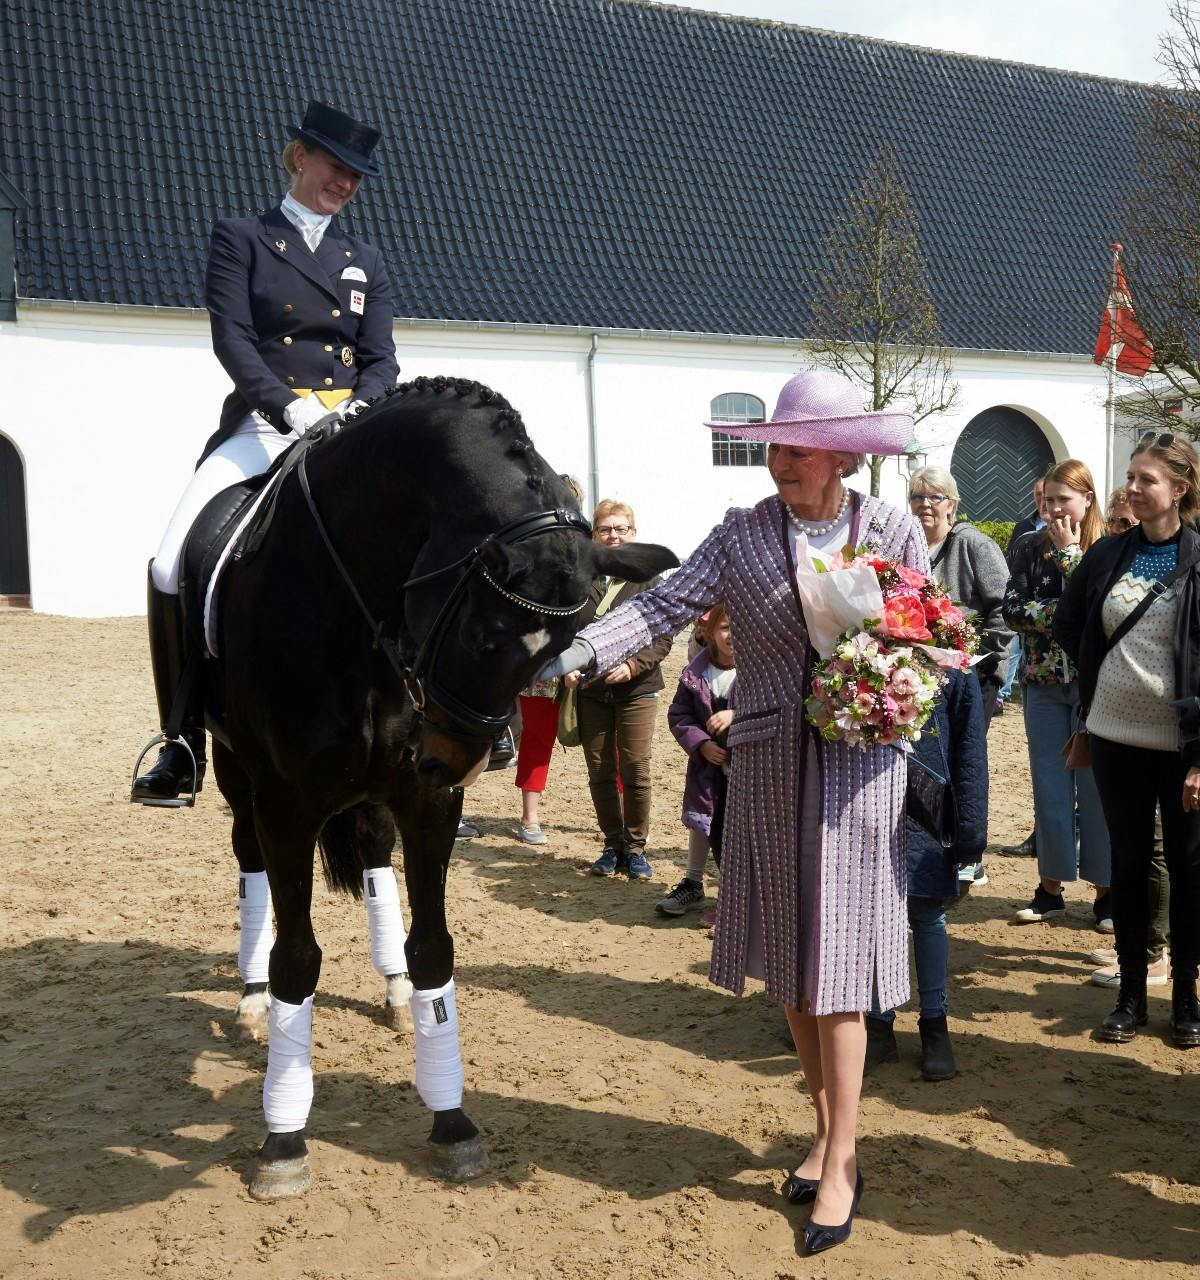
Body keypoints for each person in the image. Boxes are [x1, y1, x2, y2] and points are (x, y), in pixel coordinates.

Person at [543, 370, 926, 1255]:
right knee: (792, 964)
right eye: (773, 449)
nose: (779, 462)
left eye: (794, 448)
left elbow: (927, 633)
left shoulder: (895, 527)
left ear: (840, 452)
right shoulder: (743, 533)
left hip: (861, 771)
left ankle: (842, 1159)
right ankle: (829, 1129)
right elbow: (667, 604)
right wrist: (572, 649)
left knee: (836, 961)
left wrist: (893, 684)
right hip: (765, 764)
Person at [132, 101, 397, 804]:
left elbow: (381, 359)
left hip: (344, 432)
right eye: (336, 166)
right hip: (264, 426)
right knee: (167, 563)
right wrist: (290, 406)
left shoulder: (364, 259)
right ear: (300, 156)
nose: (344, 182)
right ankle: (181, 739)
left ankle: (439, 713)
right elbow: (233, 340)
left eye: (356, 176)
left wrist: (359, 409)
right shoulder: (242, 237)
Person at [1054, 431, 1200, 1047]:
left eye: (1147, 480)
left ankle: (1187, 1002)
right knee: (1130, 866)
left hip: (1183, 747)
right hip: (1113, 736)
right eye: (1132, 478)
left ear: (1180, 490)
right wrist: (1103, 680)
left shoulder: (1198, 558)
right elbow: (1068, 623)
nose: (1133, 489)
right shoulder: (1108, 554)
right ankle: (1131, 996)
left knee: (1190, 871)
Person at [1002, 460, 1111, 928]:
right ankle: (1050, 889)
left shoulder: (1110, 548)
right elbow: (1011, 609)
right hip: (1043, 683)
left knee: (1096, 790)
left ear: (1087, 499)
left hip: (1096, 686)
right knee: (1049, 788)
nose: (1053, 509)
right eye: (1047, 500)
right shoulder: (1027, 545)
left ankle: (1107, 893)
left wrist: (1071, 556)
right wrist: (1065, 614)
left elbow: (1102, 609)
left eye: (1063, 500)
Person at [865, 669, 988, 1081]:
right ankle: (879, 1022)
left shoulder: (953, 665)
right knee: (878, 915)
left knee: (928, 913)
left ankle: (935, 1024)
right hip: (870, 802)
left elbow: (970, 752)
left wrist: (969, 833)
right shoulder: (861, 646)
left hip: (929, 807)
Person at [907, 465, 1010, 896]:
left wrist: (979, 656)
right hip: (919, 678)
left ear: (953, 503)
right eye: (917, 497)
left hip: (970, 676)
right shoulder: (905, 546)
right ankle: (932, 851)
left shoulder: (972, 545)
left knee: (964, 763)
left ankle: (968, 855)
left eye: (935, 497)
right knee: (929, 764)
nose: (926, 505)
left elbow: (1004, 605)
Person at [570, 501, 673, 882]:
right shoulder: (581, 578)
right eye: (605, 529)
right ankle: (612, 845)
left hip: (638, 688)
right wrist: (568, 665)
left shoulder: (649, 578)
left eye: (620, 529)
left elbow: (663, 632)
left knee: (635, 769)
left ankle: (635, 848)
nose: (613, 536)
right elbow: (563, 627)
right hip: (591, 689)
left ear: (633, 533)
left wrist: (632, 665)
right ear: (594, 534)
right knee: (599, 770)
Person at [658, 604, 736, 918]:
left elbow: (770, 708)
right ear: (709, 632)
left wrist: (736, 715)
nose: (734, 636)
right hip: (707, 769)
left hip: (746, 770)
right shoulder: (696, 672)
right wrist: (701, 744)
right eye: (726, 628)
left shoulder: (757, 672)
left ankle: (733, 902)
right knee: (707, 821)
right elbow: (679, 714)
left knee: (738, 833)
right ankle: (694, 883)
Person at [996, 475, 1047, 854]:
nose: (1046, 504)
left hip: (1083, 676)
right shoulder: (1025, 532)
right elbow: (1013, 605)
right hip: (1038, 670)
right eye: (1041, 496)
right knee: (1044, 769)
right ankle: (1041, 839)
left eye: (1056, 496)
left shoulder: (1096, 541)